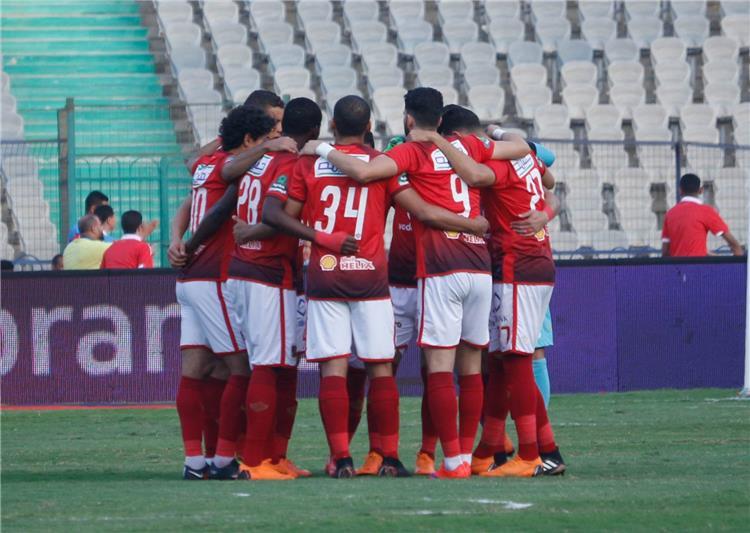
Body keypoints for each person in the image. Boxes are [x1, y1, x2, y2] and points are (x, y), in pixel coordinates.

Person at [299, 88, 527, 478]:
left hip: (430, 269)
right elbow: (526, 150)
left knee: (413, 366)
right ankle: (453, 456)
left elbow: (366, 174)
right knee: (468, 365)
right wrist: (496, 132)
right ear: (440, 119)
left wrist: (319, 148)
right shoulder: (472, 146)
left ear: (408, 119)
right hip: (475, 265)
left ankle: (431, 457)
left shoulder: (405, 153)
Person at [411, 106, 566, 477]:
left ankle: (533, 454)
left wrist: (436, 142)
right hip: (532, 261)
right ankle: (489, 449)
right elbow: (550, 181)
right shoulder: (520, 151)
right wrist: (498, 133)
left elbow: (475, 174)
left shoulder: (495, 161)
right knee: (499, 362)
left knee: (515, 359)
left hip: (516, 262)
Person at [169, 106, 287, 480]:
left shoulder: (204, 163)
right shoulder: (229, 166)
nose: (271, 143)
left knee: (198, 369)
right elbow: (228, 180)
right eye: (265, 137)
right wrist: (271, 148)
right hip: (212, 276)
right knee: (242, 368)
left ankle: (195, 462)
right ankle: (223, 460)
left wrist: (177, 239)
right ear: (250, 139)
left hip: (190, 280)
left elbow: (190, 195)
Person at [222, 97, 333, 480]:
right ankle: (254, 461)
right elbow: (277, 215)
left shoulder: (261, 158)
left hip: (246, 269)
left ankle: (275, 456)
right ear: (315, 130)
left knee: (283, 366)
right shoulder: (290, 162)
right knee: (270, 365)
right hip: (267, 272)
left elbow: (229, 173)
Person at [662, 173, 744, 257]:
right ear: (701, 190)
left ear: (680, 190)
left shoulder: (670, 214)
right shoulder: (706, 211)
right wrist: (737, 261)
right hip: (699, 264)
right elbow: (734, 245)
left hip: (677, 265)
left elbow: (665, 252)